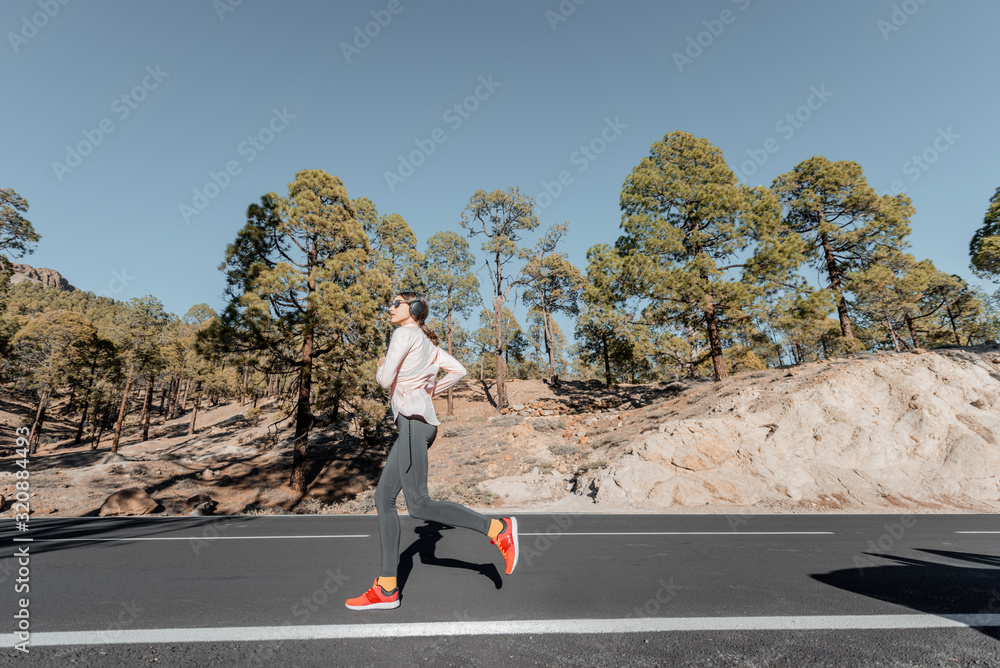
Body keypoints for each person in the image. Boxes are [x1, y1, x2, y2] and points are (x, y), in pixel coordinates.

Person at [345, 292, 519, 611]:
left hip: (413, 423)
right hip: (418, 422)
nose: (390, 307)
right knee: (384, 497)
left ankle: (498, 529)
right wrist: (429, 391)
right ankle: (386, 587)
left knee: (419, 504)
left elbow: (384, 380)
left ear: (412, 310)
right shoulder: (429, 345)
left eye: (396, 303)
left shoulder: (404, 333)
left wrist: (383, 367)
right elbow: (459, 372)